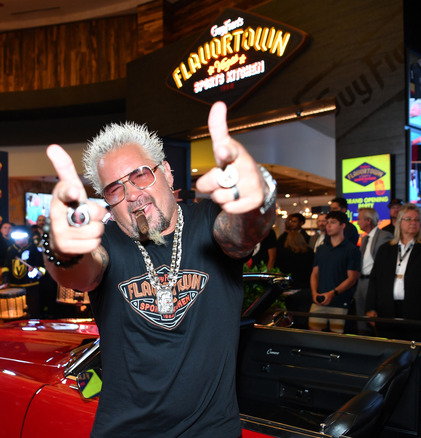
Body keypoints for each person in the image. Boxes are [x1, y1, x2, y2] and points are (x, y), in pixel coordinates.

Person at [42, 101, 276, 436]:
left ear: (166, 172)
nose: (132, 194)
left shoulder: (209, 221)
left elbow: (240, 234)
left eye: (140, 175)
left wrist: (258, 199)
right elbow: (81, 272)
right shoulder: (105, 242)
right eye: (115, 189)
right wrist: (61, 249)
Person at [365, 204, 421, 342]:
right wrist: (371, 308)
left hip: (419, 312)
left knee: (417, 349)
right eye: (408, 219)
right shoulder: (385, 249)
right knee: (390, 349)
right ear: (399, 222)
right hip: (387, 311)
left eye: (417, 220)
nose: (413, 223)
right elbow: (374, 281)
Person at [309, 210, 361, 334]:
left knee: (337, 338)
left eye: (333, 222)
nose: (328, 226)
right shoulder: (321, 248)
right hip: (319, 299)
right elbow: (315, 273)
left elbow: (352, 278)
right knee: (313, 335)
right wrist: (314, 292)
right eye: (327, 222)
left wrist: (332, 293)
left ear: (343, 225)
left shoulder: (351, 250)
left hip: (340, 301)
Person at [354, 207, 392, 334]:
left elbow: (384, 263)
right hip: (361, 281)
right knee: (361, 317)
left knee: (373, 317)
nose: (357, 222)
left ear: (368, 220)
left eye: (359, 219)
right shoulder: (364, 238)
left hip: (374, 282)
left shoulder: (384, 236)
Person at [0, 225, 45, 318]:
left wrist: (35, 272)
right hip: (15, 288)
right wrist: (5, 278)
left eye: (20, 236)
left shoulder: (34, 249)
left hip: (31, 288)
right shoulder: (11, 249)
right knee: (17, 315)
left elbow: (42, 268)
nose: (17, 239)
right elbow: (6, 266)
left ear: (27, 237)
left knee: (33, 314)